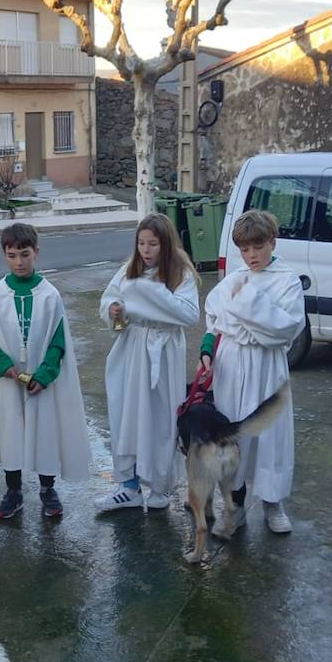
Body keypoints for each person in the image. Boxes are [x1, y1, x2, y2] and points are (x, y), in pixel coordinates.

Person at [199, 209, 305, 534]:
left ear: (272, 242)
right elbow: (215, 320)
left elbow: (286, 327)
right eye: (244, 249)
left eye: (257, 247)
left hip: (266, 369)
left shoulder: (288, 282)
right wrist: (206, 352)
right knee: (233, 438)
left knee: (269, 435)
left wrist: (244, 305)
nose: (251, 255)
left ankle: (274, 505)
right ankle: (236, 506)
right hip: (231, 368)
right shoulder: (233, 279)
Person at [0, 222, 89, 521]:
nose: (19, 262)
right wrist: (2, 365)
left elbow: (58, 341)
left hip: (41, 382)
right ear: (4, 255)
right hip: (7, 381)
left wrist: (45, 373)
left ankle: (47, 488)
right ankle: (13, 491)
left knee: (44, 433)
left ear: (36, 253)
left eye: (25, 254)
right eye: (12, 255)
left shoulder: (49, 295)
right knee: (9, 434)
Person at [96, 213, 200, 512]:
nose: (145, 249)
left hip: (163, 354)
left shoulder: (181, 274)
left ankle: (160, 486)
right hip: (132, 351)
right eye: (141, 243)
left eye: (153, 243)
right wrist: (114, 310)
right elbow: (109, 299)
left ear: (165, 244)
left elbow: (189, 314)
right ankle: (128, 487)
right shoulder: (130, 270)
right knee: (127, 415)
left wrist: (146, 298)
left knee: (160, 419)